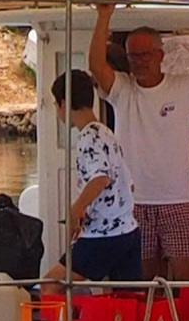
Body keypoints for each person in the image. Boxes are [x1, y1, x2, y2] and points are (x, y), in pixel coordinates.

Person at [92, 8, 189, 279]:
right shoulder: (122, 90)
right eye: (133, 56)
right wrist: (104, 17)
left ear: (160, 55)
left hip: (177, 200)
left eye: (145, 54)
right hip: (134, 202)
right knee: (144, 284)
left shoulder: (185, 87)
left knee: (188, 284)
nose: (139, 61)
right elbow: (96, 68)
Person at [51, 69, 144, 281]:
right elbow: (125, 183)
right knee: (126, 299)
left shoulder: (87, 138)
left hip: (104, 235)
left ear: (64, 103)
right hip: (127, 230)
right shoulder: (106, 132)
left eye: (56, 105)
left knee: (52, 285)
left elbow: (100, 177)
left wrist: (77, 208)